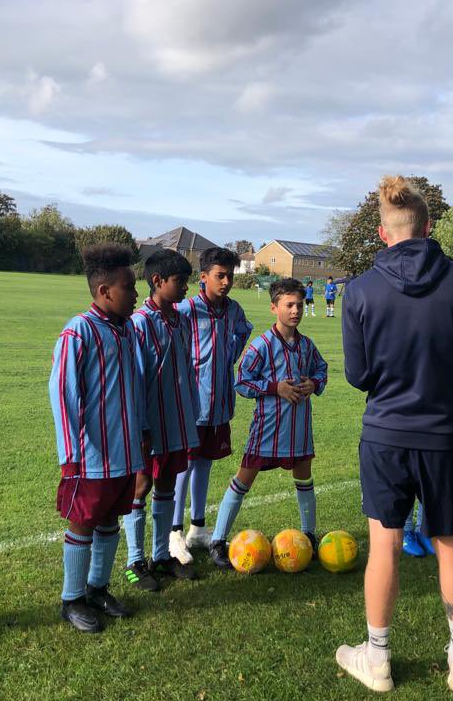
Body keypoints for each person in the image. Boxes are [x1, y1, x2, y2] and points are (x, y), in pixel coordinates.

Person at [336, 175, 453, 694]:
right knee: (451, 546)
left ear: (384, 233)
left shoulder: (358, 290)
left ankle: (378, 661)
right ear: (428, 227)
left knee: (385, 546)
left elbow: (359, 376)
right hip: (445, 434)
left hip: (385, 435)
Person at [48, 243, 142, 632]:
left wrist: (141, 442)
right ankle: (72, 600)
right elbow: (64, 396)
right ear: (104, 291)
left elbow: (132, 388)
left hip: (123, 450)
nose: (135, 294)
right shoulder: (79, 332)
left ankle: (98, 588)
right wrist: (71, 456)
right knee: (83, 523)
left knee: (109, 521)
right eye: (128, 286)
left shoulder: (125, 331)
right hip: (91, 454)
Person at [208, 278, 328, 567]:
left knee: (304, 480)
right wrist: (276, 388)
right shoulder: (261, 346)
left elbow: (322, 370)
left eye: (299, 304)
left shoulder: (307, 346)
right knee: (242, 481)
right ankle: (217, 540)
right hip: (268, 431)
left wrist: (313, 382)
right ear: (275, 307)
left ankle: (308, 535)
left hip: (299, 430)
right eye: (289, 305)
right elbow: (242, 382)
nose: (295, 310)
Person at [124, 249, 201, 592]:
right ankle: (133, 561)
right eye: (180, 281)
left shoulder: (181, 320)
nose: (186, 287)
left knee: (168, 484)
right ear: (157, 281)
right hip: (150, 426)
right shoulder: (140, 324)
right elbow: (136, 380)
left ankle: (161, 556)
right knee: (140, 486)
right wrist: (140, 427)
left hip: (176, 422)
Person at [173, 247, 253, 558]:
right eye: (220, 276)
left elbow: (242, 334)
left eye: (230, 276)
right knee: (185, 465)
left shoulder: (233, 310)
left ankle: (197, 529)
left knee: (205, 463)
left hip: (219, 404)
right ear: (203, 277)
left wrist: (231, 354)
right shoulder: (188, 310)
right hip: (192, 404)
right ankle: (173, 532)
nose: (226, 282)